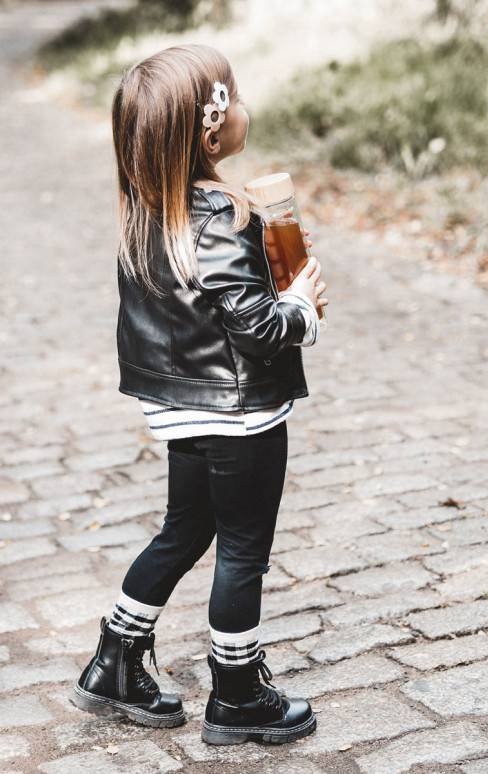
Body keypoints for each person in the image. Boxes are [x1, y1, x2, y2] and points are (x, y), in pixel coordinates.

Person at [71, 44, 328, 746]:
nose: (245, 106)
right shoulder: (224, 216)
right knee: (242, 551)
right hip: (240, 415)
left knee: (184, 529)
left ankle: (114, 662)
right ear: (212, 132)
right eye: (235, 96)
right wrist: (301, 307)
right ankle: (238, 696)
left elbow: (213, 309)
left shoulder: (146, 210)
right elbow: (258, 328)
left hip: (180, 409)